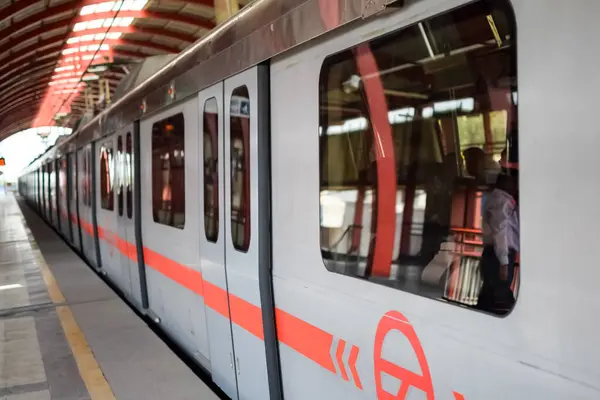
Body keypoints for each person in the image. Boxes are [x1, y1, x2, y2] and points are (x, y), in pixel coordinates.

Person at [476, 168, 519, 313]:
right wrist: (504, 262)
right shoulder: (502, 202)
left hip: (496, 254)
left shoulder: (497, 200)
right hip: (499, 256)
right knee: (498, 298)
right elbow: (500, 233)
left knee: (490, 295)